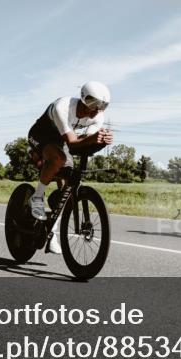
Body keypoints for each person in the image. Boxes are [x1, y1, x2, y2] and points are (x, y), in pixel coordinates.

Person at [27, 81, 112, 253]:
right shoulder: (63, 106)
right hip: (41, 135)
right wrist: (92, 139)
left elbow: (83, 145)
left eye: (102, 106)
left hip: (61, 140)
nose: (97, 109)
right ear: (83, 98)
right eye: (94, 103)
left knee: (68, 180)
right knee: (58, 158)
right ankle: (37, 197)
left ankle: (52, 232)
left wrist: (101, 141)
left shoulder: (98, 117)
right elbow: (73, 142)